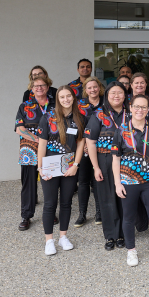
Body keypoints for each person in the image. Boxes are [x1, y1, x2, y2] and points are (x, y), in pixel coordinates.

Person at [111, 94, 149, 267]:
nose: (140, 110)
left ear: (148, 109)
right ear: (130, 108)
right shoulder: (121, 130)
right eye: (137, 106)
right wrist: (117, 183)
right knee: (128, 217)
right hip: (128, 182)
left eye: (144, 107)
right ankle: (131, 251)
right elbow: (116, 159)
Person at [38, 85, 86, 255]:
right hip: (50, 166)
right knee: (50, 203)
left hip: (69, 166)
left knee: (66, 202)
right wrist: (40, 167)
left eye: (68, 96)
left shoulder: (79, 118)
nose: (66, 100)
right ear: (57, 100)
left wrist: (75, 165)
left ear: (73, 98)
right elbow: (42, 144)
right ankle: (49, 240)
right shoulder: (48, 118)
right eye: (62, 97)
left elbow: (80, 144)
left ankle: (63, 236)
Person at [84, 81, 128, 251]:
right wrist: (96, 167)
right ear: (107, 96)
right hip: (104, 160)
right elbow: (91, 141)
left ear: (125, 95)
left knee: (124, 197)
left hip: (127, 162)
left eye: (120, 93)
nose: (116, 96)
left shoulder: (131, 113)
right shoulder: (99, 114)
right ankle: (111, 235)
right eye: (112, 93)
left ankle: (123, 233)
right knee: (107, 198)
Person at [15, 76, 56, 231]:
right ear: (31, 89)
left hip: (52, 149)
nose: (39, 88)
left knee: (50, 182)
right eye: (36, 86)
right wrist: (40, 140)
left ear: (48, 87)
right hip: (29, 150)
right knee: (29, 183)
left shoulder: (55, 104)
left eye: (42, 85)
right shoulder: (24, 106)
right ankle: (26, 215)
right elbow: (19, 128)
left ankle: (50, 213)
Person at [74, 77, 105, 228]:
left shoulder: (106, 103)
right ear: (85, 90)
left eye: (95, 87)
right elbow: (77, 125)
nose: (92, 90)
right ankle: (82, 214)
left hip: (101, 147)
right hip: (84, 147)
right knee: (83, 181)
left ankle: (99, 213)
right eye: (89, 88)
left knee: (98, 180)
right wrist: (85, 143)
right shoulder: (79, 105)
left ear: (99, 87)